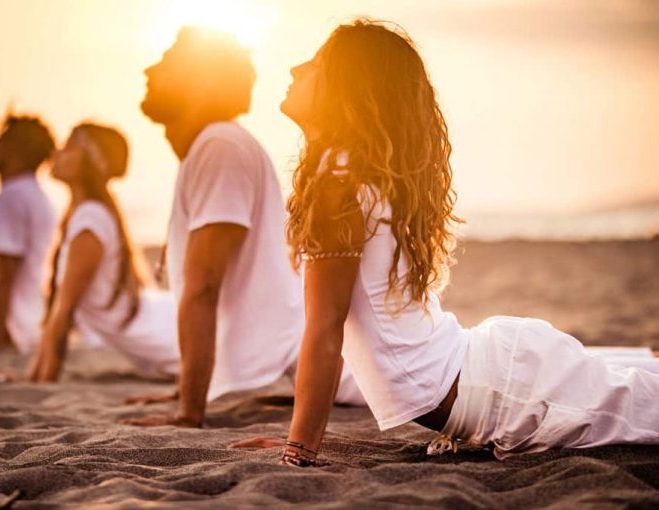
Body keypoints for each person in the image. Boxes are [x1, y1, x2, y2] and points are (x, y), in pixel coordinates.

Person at [232, 20, 659, 465]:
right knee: (632, 387)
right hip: (488, 377)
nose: (297, 68)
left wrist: (299, 448)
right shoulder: (347, 176)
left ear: (346, 87)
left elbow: (325, 331)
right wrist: (304, 438)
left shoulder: (339, 185)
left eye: (317, 63)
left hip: (499, 391)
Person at [124, 27, 364, 428]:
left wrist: (188, 413)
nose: (151, 69)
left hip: (341, 375)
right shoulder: (213, 146)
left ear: (197, 83)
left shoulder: (221, 147)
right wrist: (182, 390)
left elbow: (204, 287)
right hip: (306, 363)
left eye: (166, 63)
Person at [26, 123, 178, 383]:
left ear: (90, 160)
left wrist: (39, 381)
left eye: (69, 147)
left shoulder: (90, 219)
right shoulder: (86, 213)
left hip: (164, 332)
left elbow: (63, 311)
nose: (57, 153)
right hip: (155, 323)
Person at [0, 114, 56, 354]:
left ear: (16, 151)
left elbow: (5, 273)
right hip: (33, 319)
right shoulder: (37, 195)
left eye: (0, 139)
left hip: (19, 329)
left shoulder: (12, 196)